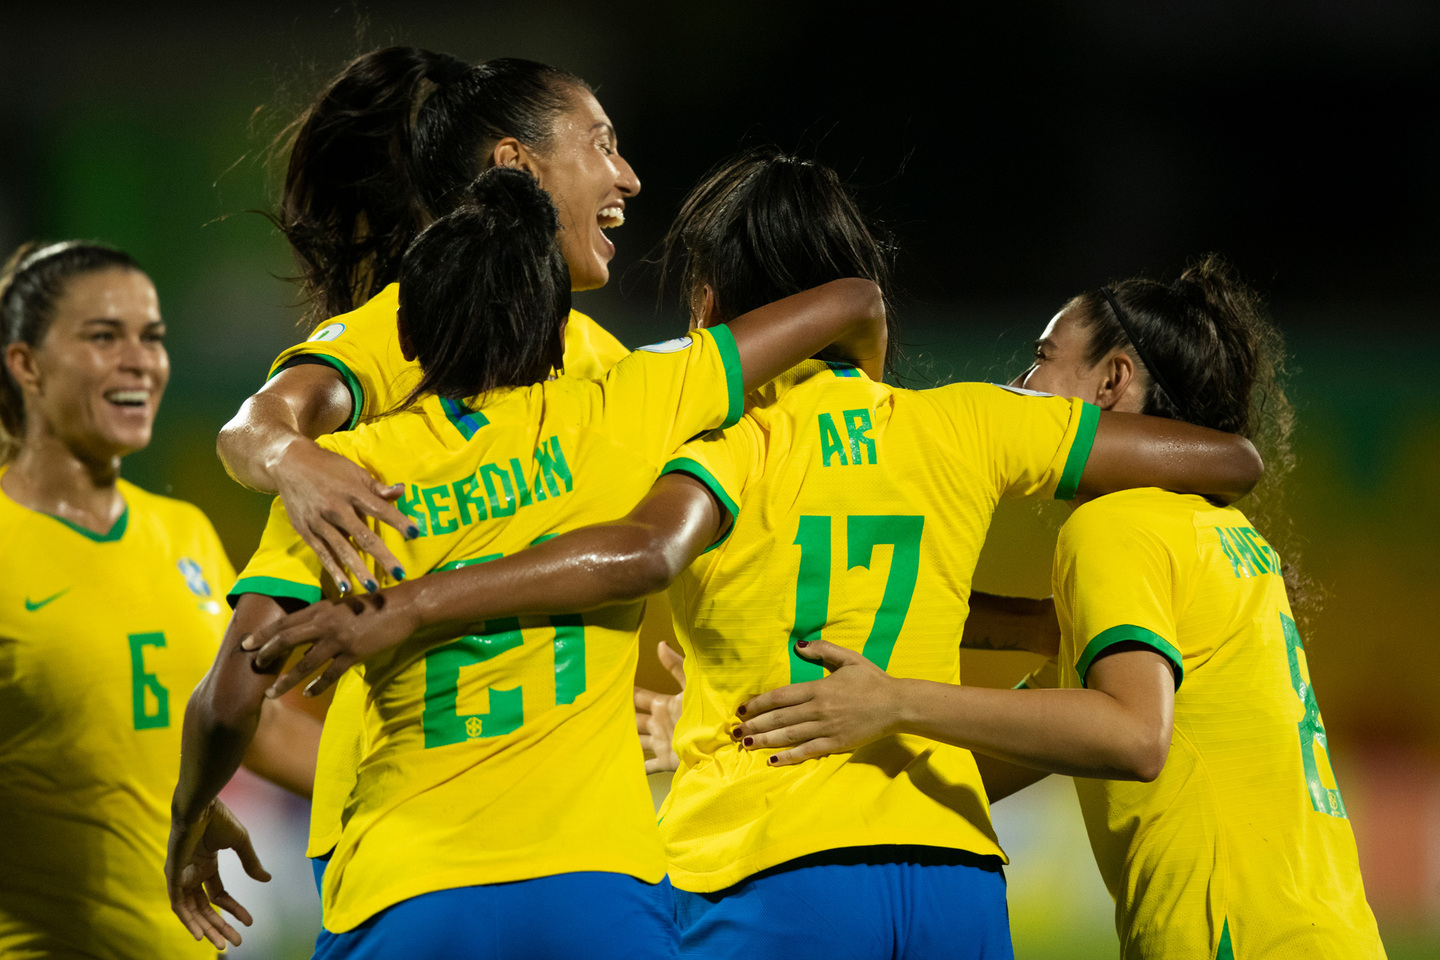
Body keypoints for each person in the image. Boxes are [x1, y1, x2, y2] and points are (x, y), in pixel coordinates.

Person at [245, 151, 1265, 960]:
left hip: (770, 868)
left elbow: (643, 551)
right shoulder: (965, 425)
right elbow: (1229, 457)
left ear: (711, 299)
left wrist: (416, 603)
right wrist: (1037, 615)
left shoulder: (720, 443)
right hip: (956, 877)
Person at [166, 166, 891, 958]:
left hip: (408, 890)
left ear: (407, 339)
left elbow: (229, 698)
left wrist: (191, 812)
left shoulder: (346, 479)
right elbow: (852, 301)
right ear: (557, 331)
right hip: (597, 889)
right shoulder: (627, 403)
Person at [727, 258, 1387, 958]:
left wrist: (896, 699)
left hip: (1233, 938)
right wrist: (760, 727)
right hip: (1325, 931)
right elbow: (992, 760)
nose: (1020, 385)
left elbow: (1133, 736)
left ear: (1113, 381)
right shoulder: (1220, 533)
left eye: (1042, 357)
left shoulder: (1116, 526)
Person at [213, 45, 643, 912]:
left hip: (557, 838)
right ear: (515, 163)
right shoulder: (406, 329)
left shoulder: (604, 362)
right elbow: (254, 426)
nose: (627, 176)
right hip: (417, 826)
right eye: (599, 144)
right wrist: (298, 462)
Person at [0, 241, 319, 959]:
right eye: (103, 337)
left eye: (152, 338)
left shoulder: (184, 534)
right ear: (25, 364)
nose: (139, 360)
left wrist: (433, 774)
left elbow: (256, 727)